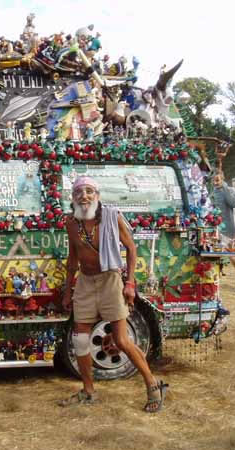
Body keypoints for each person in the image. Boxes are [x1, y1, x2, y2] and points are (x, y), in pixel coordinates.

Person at [59, 176, 168, 412]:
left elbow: (131, 248)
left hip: (110, 279)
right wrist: (68, 290)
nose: (84, 196)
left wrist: (130, 283)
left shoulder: (111, 216)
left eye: (89, 191)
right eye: (79, 192)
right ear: (73, 198)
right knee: (80, 339)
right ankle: (88, 391)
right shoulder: (72, 223)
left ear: (97, 195)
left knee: (121, 340)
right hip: (85, 282)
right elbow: (73, 258)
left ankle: (153, 385)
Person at [211, 171, 235, 290]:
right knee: (214, 254)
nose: (215, 182)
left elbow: (233, 203)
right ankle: (214, 281)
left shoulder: (230, 190)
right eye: (214, 180)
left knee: (232, 254)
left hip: (229, 228)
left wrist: (225, 188)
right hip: (215, 229)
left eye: (217, 180)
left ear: (223, 179)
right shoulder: (211, 192)